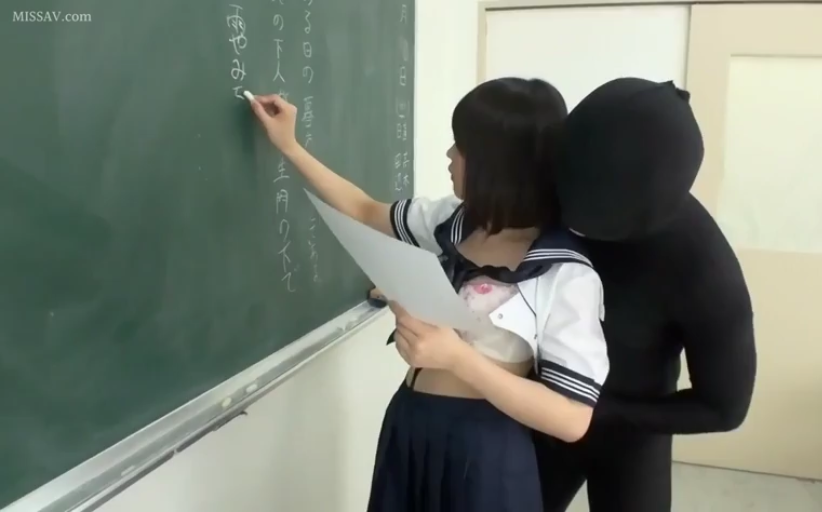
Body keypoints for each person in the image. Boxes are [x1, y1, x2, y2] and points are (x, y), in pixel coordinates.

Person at [248, 78, 610, 512]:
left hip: (485, 453)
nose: (450, 155)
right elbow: (364, 209)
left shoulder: (564, 271)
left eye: (463, 147)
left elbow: (573, 418)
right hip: (410, 426)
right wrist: (290, 147)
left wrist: (456, 358)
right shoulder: (452, 222)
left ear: (498, 165)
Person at [533, 78, 757, 511]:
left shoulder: (704, 269)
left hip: (631, 431)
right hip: (542, 411)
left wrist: (603, 412)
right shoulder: (553, 184)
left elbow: (725, 408)